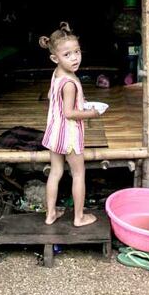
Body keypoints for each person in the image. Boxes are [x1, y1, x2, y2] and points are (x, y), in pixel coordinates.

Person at [39, 22, 104, 227]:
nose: (75, 57)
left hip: (54, 132)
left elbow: (52, 96)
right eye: (67, 55)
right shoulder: (69, 83)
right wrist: (90, 113)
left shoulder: (58, 74)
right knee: (78, 173)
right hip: (69, 135)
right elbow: (69, 113)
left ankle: (50, 214)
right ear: (54, 58)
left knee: (56, 171)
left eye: (77, 52)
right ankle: (79, 217)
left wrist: (78, 103)